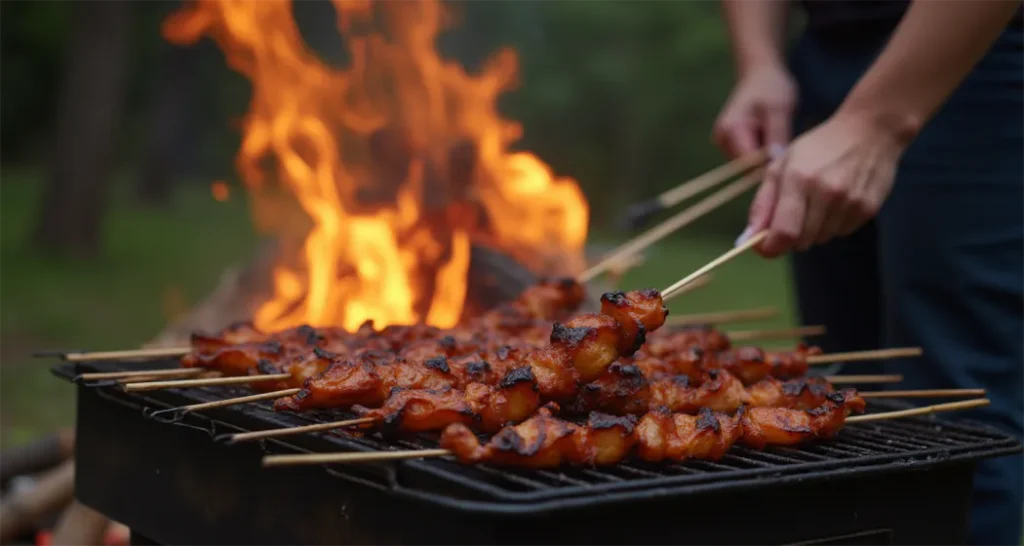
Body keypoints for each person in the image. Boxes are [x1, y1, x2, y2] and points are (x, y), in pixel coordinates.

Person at [712, 1, 1024, 545]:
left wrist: (877, 120)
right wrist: (759, 61)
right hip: (821, 50)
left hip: (974, 49)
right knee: (836, 407)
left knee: (946, 422)